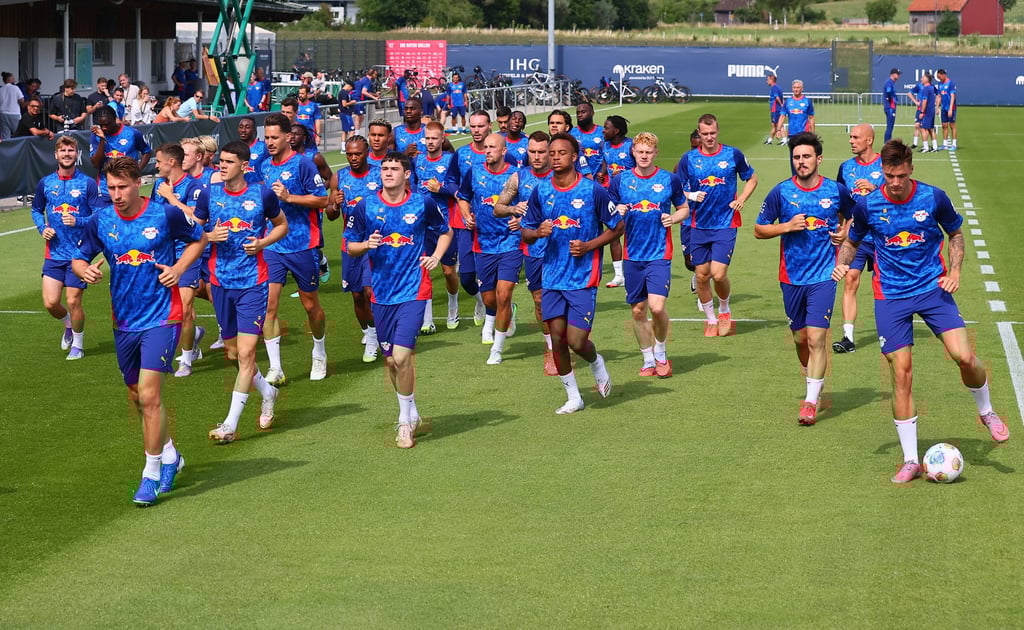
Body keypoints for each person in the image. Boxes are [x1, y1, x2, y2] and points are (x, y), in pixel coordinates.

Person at [831, 140, 1010, 483]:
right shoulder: (869, 205)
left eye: (900, 175)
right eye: (888, 175)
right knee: (902, 373)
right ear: (881, 171)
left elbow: (955, 233)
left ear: (911, 168)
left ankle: (986, 411)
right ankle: (911, 460)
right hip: (891, 297)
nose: (894, 182)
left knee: (965, 358)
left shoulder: (933, 197)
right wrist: (842, 264)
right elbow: (853, 240)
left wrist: (955, 272)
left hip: (932, 289)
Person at [73, 157, 207, 505]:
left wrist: (178, 268)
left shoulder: (164, 214)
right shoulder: (101, 220)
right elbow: (79, 256)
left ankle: (149, 475)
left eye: (122, 187)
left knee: (150, 395)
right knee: (136, 395)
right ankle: (171, 455)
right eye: (111, 188)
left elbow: (199, 238)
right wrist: (84, 269)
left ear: (138, 184)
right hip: (125, 321)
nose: (115, 194)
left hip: (163, 315)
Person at [344, 151, 453, 448]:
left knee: (403, 357)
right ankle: (412, 409)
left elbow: (445, 232)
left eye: (394, 168)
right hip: (381, 294)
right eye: (384, 168)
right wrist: (366, 244)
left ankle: (404, 423)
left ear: (407, 174)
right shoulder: (366, 205)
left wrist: (436, 257)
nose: (387, 172)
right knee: (391, 361)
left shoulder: (422, 202)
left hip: (414, 290)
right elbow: (349, 245)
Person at [756, 132, 855, 425]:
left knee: (816, 339)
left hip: (824, 275)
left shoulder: (836, 191)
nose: (801, 162)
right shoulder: (781, 192)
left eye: (806, 156)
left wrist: (845, 231)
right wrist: (785, 226)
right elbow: (759, 229)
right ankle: (814, 378)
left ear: (819, 159)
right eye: (797, 157)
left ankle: (810, 402)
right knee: (801, 340)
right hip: (791, 277)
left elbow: (854, 217)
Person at [521, 133, 622, 414]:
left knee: (577, 341)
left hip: (582, 278)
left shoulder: (592, 191)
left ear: (574, 157)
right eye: (551, 153)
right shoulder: (541, 190)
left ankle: (596, 361)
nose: (554, 157)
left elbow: (617, 226)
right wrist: (537, 232)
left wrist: (589, 245)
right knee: (557, 339)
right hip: (551, 276)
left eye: (561, 153)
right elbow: (526, 231)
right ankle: (573, 397)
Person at [196, 141, 289, 444]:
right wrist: (209, 235)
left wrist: (263, 244)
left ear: (244, 166)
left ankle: (230, 425)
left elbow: (281, 226)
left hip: (253, 283)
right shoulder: (209, 195)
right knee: (235, 354)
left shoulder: (261, 193)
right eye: (219, 161)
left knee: (247, 353)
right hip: (221, 283)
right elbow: (193, 234)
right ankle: (268, 392)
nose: (221, 165)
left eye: (228, 162)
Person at [609, 132, 689, 378]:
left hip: (659, 253)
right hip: (632, 255)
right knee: (637, 311)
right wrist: (616, 210)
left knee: (656, 307)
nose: (644, 156)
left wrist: (673, 218)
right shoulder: (620, 180)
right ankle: (647, 360)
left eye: (648, 152)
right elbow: (607, 211)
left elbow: (684, 208)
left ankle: (661, 352)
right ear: (633, 152)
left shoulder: (669, 180)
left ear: (656, 153)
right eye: (640, 151)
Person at [258, 113, 330, 384]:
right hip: (274, 245)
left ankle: (319, 350)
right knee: (269, 306)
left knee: (310, 305)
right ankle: (276, 367)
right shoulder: (264, 166)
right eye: (266, 137)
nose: (269, 142)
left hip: (303, 244)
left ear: (288, 137)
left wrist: (290, 197)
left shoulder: (303, 164)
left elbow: (323, 200)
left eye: (274, 137)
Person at [675, 113, 758, 337]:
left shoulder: (733, 154)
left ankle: (724, 311)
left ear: (718, 131)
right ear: (699, 134)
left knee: (718, 274)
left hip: (725, 222)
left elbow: (751, 178)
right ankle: (710, 319)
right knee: (701, 275)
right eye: (705, 134)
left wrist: (741, 199)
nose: (709, 137)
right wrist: (691, 195)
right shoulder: (688, 159)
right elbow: (675, 189)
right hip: (698, 224)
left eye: (712, 133)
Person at [31, 135, 100, 360]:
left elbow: (98, 215)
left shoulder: (88, 183)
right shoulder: (46, 183)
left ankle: (78, 345)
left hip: (79, 254)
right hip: (54, 253)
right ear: (56, 155)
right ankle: (68, 324)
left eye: (71, 151)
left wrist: (78, 221)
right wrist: (43, 228)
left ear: (76, 155)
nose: (67, 154)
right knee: (51, 303)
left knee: (72, 301)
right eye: (63, 151)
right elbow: (36, 209)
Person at [457, 133, 521, 362]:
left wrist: (520, 220)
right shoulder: (474, 171)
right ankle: (507, 312)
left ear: (504, 151)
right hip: (482, 243)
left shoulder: (515, 174)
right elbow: (462, 197)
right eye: (485, 147)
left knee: (503, 294)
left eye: (492, 147)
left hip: (510, 242)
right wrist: (466, 215)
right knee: (489, 298)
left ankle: (497, 349)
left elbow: (531, 203)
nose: (487, 151)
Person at [496, 131, 555, 374]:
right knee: (540, 301)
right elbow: (498, 208)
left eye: (542, 152)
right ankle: (551, 349)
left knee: (566, 302)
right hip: (534, 250)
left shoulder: (562, 176)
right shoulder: (519, 178)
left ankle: (564, 346)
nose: (537, 156)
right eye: (533, 152)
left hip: (563, 248)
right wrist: (513, 209)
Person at [148, 143, 205, 377]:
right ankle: (195, 335)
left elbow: (196, 220)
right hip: (162, 255)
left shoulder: (194, 187)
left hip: (187, 253)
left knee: (185, 309)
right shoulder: (158, 187)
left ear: (172, 162)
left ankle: (187, 360)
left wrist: (171, 198)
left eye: (159, 161)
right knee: (167, 311)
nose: (156, 165)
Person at [328, 135, 381, 362]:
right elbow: (330, 215)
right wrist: (335, 204)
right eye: (349, 154)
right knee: (357, 296)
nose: (353, 158)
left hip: (377, 243)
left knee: (370, 292)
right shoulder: (339, 177)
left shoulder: (380, 173)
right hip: (350, 245)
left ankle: (375, 338)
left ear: (367, 152)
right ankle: (368, 333)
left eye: (357, 153)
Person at [833, 123, 884, 354]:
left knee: (885, 285)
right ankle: (848, 337)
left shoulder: (886, 165)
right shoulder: (845, 168)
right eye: (850, 137)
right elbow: (842, 202)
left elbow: (897, 197)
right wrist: (841, 226)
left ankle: (892, 328)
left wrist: (875, 189)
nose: (851, 140)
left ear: (869, 140)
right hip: (857, 238)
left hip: (884, 237)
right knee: (850, 278)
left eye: (855, 137)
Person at [414, 121, 461, 333]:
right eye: (427, 138)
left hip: (446, 224)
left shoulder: (452, 160)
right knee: (424, 269)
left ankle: (453, 305)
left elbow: (460, 191)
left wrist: (440, 188)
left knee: (448, 270)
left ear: (443, 138)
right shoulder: (417, 160)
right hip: (423, 225)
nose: (430, 142)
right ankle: (428, 319)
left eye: (434, 138)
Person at [446, 110, 491, 327]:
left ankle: (499, 312)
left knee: (489, 274)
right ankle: (481, 301)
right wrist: (460, 197)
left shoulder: (500, 154)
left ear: (489, 126)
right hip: (463, 222)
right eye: (473, 126)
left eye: (480, 126)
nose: (476, 130)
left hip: (492, 223)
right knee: (466, 277)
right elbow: (450, 181)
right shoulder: (461, 154)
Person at [597, 115, 634, 288]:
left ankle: (635, 270)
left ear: (616, 130)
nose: (603, 130)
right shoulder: (605, 145)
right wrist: (603, 172)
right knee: (613, 231)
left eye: (606, 127)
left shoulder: (631, 145)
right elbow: (605, 160)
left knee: (633, 233)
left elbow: (641, 165)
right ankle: (619, 275)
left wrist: (625, 175)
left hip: (632, 195)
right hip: (613, 196)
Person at [90, 105, 152, 205]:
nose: (104, 128)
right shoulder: (96, 135)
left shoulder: (132, 133)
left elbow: (147, 151)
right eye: (101, 125)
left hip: (128, 188)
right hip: (105, 189)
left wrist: (138, 170)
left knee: (129, 218)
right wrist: (102, 139)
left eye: (107, 124)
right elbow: (96, 164)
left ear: (115, 120)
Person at [571, 102, 604, 178]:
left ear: (592, 113)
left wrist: (603, 172)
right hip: (579, 180)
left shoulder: (602, 132)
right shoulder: (571, 133)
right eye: (577, 113)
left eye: (583, 112)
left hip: (600, 179)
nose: (579, 115)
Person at [238, 115, 267, 184]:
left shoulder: (263, 147)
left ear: (254, 130)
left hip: (259, 189)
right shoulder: (236, 149)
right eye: (241, 127)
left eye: (247, 127)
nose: (243, 130)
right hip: (241, 190)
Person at [936, 68, 957, 151]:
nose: (939, 78)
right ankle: (945, 144)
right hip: (944, 108)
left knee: (952, 125)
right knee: (944, 125)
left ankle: (954, 144)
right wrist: (937, 107)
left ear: (943, 74)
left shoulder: (950, 83)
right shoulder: (940, 85)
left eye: (939, 76)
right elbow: (939, 96)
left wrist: (951, 109)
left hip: (950, 108)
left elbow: (952, 96)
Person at [352, 68, 379, 133]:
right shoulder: (367, 81)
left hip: (359, 99)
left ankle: (356, 132)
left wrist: (375, 94)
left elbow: (366, 91)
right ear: (372, 74)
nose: (376, 76)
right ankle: (356, 133)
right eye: (375, 74)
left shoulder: (363, 79)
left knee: (361, 117)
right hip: (359, 99)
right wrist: (374, 97)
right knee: (358, 117)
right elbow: (364, 92)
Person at [0, 72, 25, 138]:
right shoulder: (15, 88)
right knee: (18, 134)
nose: (15, 80)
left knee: (5, 135)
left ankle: (6, 148)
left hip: (2, 114)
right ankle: (19, 148)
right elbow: (21, 100)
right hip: (14, 113)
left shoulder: (1, 89)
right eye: (13, 78)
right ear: (8, 80)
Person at [917, 72, 937, 153]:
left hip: (927, 112)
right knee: (931, 129)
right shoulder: (931, 88)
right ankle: (935, 147)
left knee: (922, 128)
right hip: (931, 111)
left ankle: (926, 147)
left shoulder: (926, 88)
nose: (921, 79)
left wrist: (922, 112)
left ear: (926, 79)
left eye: (923, 77)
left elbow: (925, 101)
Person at [766, 73, 785, 145]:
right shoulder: (779, 87)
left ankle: (784, 139)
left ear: (771, 80)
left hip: (776, 108)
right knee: (774, 124)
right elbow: (782, 97)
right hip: (776, 108)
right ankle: (770, 140)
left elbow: (777, 98)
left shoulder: (774, 88)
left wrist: (781, 105)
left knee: (779, 124)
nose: (767, 81)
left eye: (768, 80)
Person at [882, 68, 901, 143]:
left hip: (891, 106)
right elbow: (889, 92)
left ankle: (887, 142)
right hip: (890, 107)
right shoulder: (889, 83)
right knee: (890, 126)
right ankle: (887, 143)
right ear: (893, 74)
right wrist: (892, 100)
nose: (899, 76)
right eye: (897, 74)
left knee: (890, 126)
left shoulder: (891, 83)